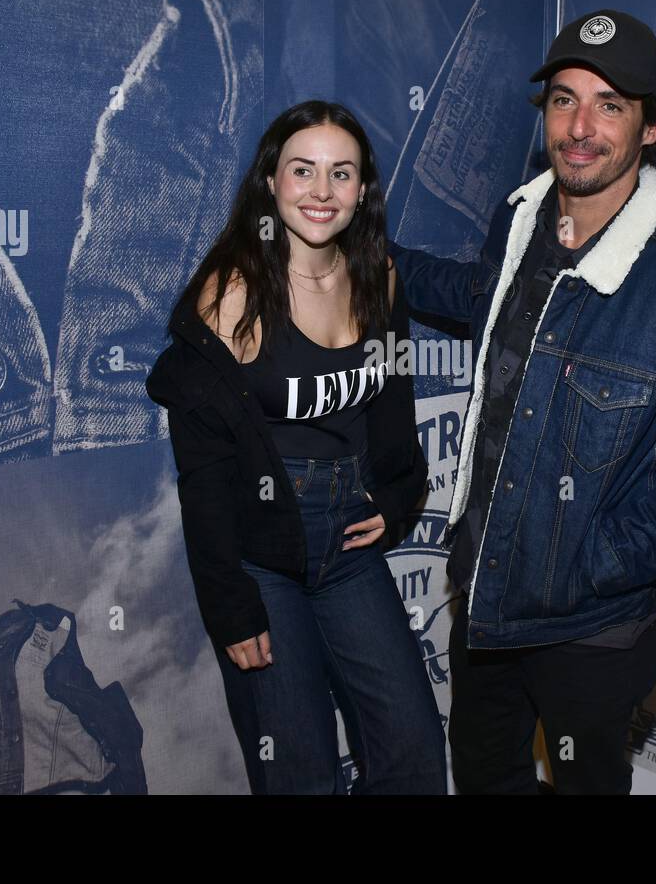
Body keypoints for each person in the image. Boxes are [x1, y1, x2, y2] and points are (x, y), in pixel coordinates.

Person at [389, 10, 656, 794]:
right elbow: (479, 294)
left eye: (609, 105)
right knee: (486, 775)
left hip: (592, 630)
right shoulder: (519, 220)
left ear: (651, 128)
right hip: (487, 597)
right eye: (564, 100)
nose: (580, 127)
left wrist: (601, 560)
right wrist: (374, 258)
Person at [146, 101, 447, 794]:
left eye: (341, 174)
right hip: (260, 556)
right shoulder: (232, 295)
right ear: (271, 182)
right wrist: (230, 606)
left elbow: (393, 405)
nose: (321, 191)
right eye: (302, 171)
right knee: (300, 772)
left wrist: (400, 495)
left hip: (349, 542)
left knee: (414, 751)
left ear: (363, 188)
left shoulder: (381, 278)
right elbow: (205, 475)